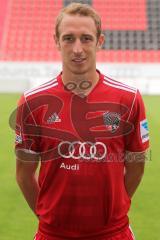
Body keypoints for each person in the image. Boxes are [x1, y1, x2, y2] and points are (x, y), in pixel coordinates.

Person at [15, 3, 149, 240]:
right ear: (56, 41)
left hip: (113, 234)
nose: (77, 49)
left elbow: (137, 165)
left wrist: (113, 210)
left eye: (86, 38)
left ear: (100, 41)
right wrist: (49, 219)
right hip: (52, 234)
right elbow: (24, 174)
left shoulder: (128, 99)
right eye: (68, 38)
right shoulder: (32, 103)